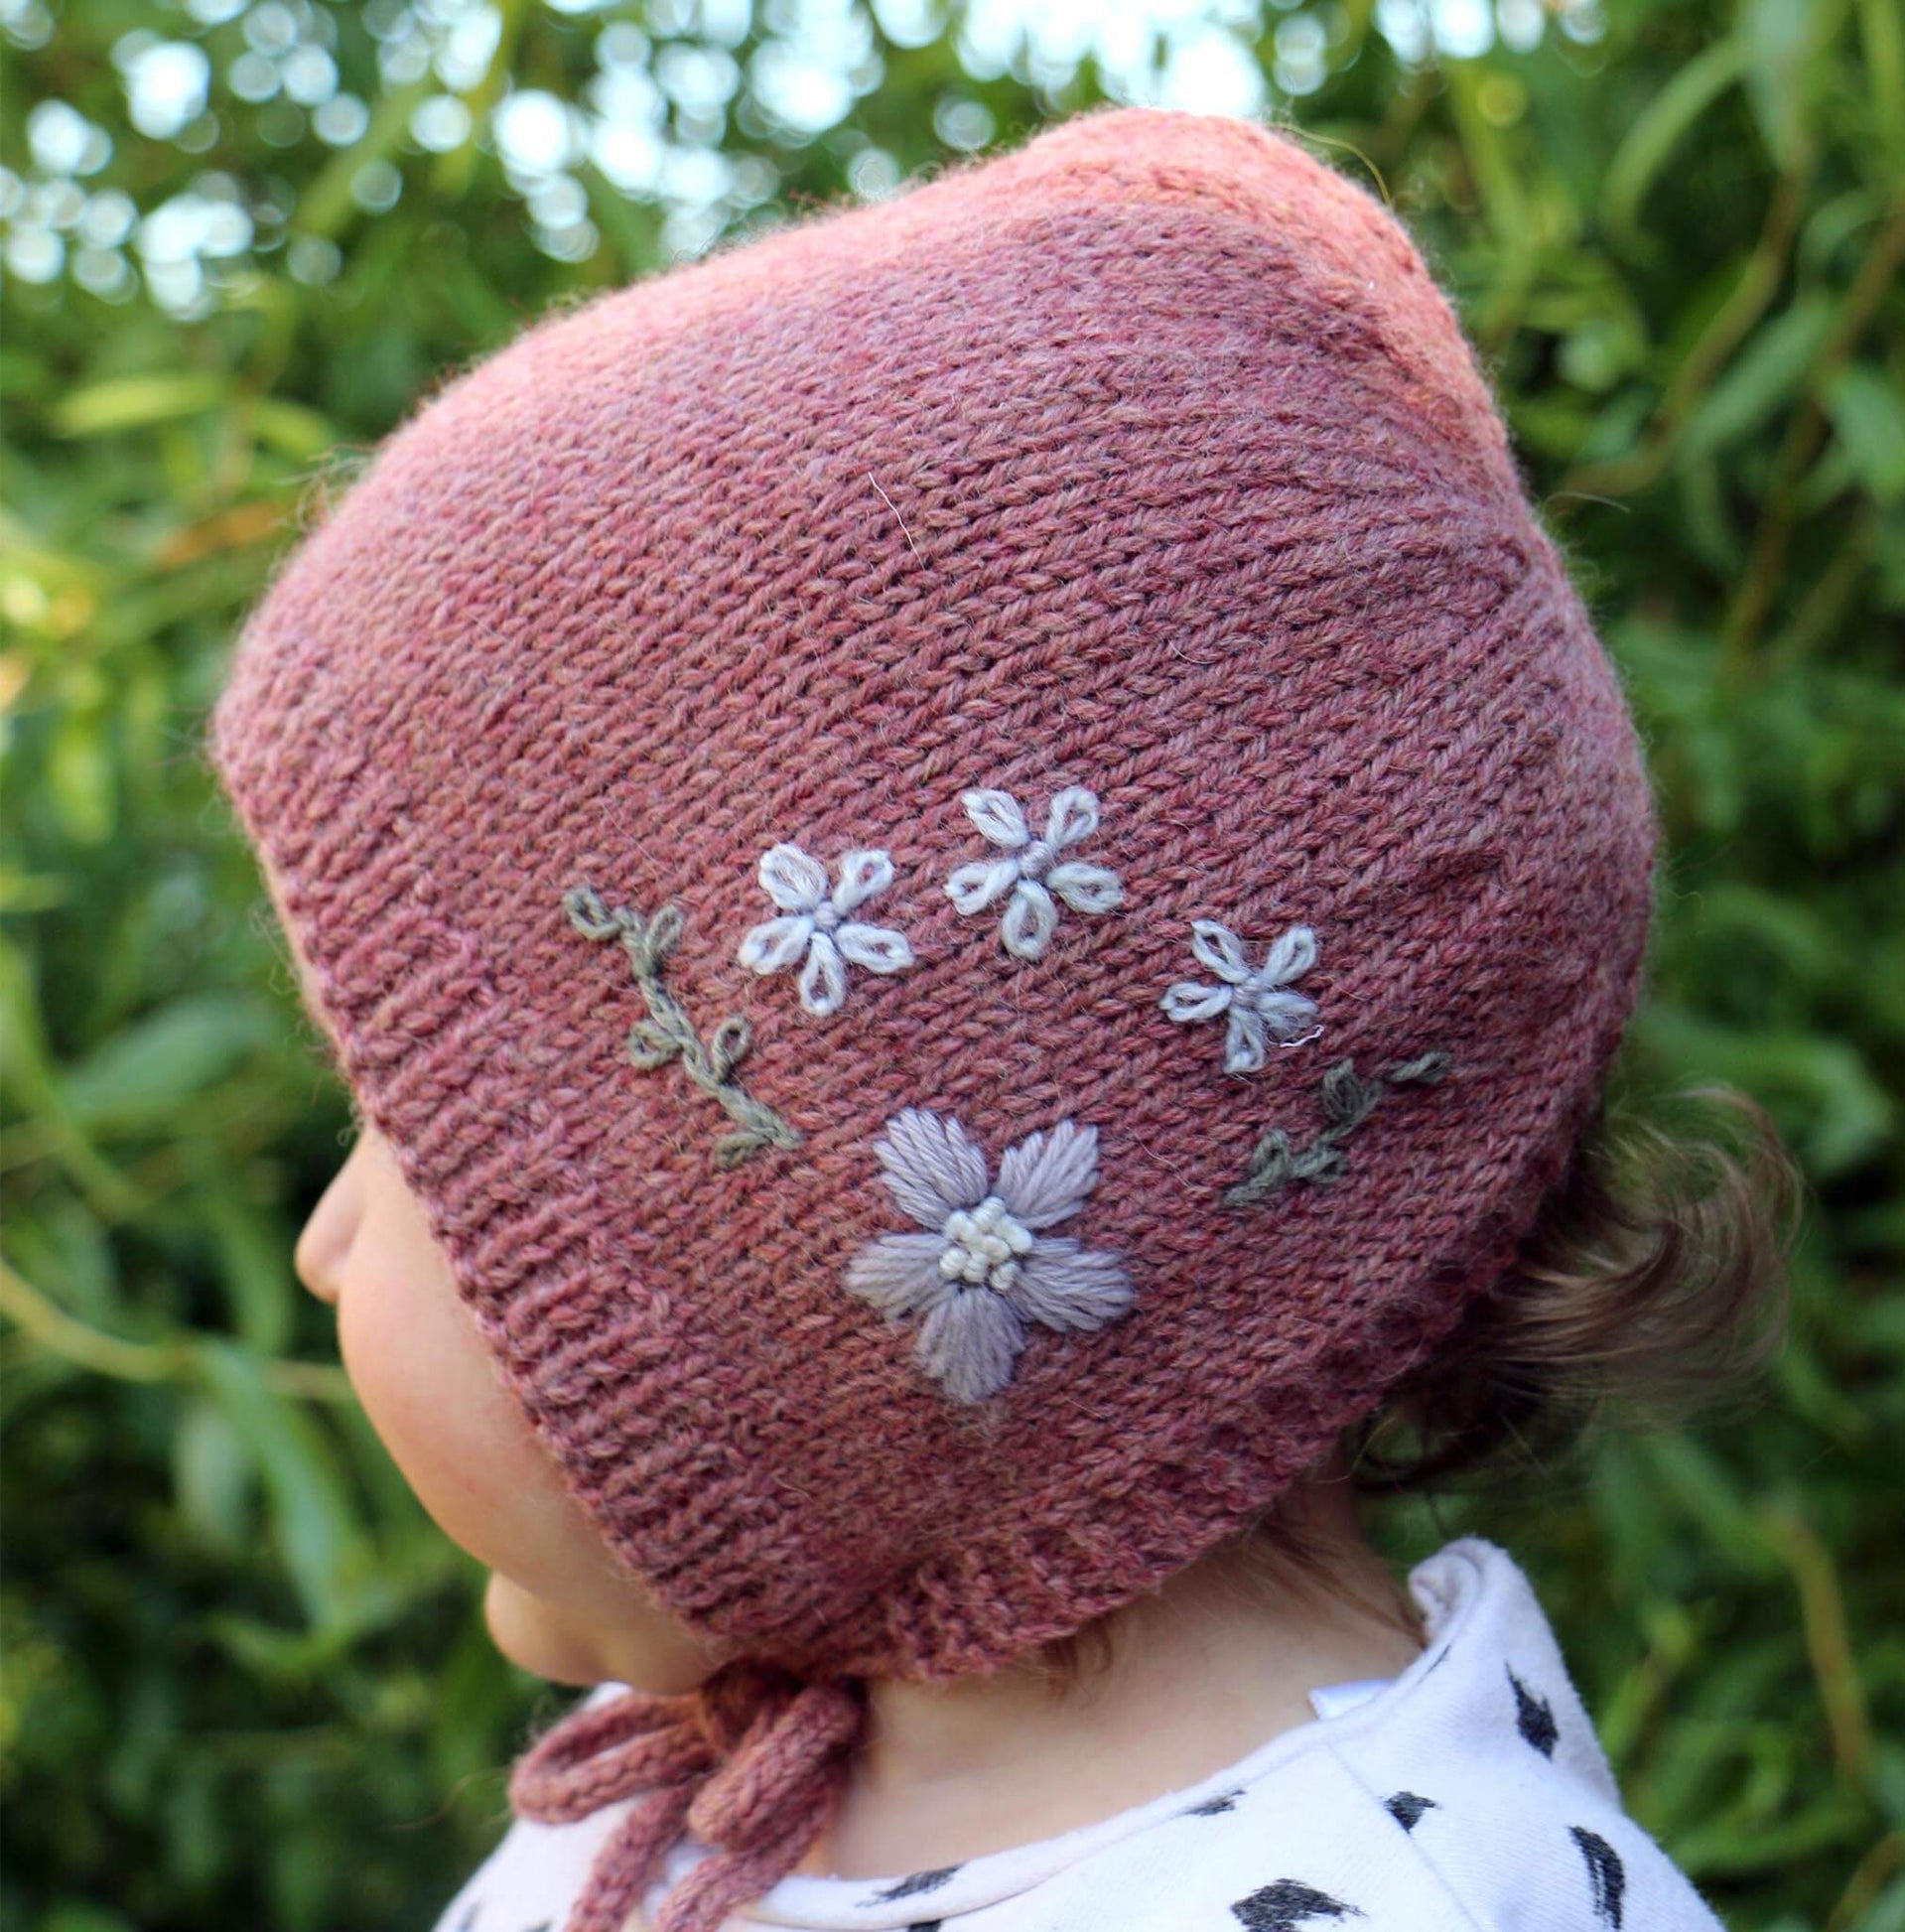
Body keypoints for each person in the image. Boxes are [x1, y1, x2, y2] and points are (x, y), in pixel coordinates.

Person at [204, 105, 1801, 1932]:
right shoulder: (702, 1805)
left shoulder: (1393, 1901)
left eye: (415, 1128)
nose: (323, 1242)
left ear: (800, 1297)